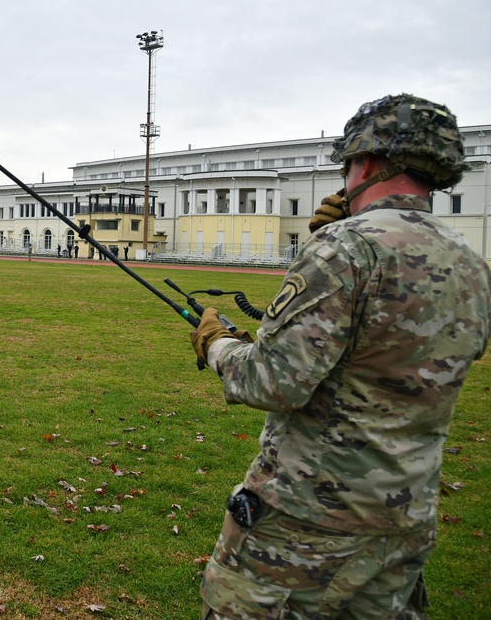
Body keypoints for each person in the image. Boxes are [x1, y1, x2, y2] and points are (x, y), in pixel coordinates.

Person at [190, 94, 491, 620]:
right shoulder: (470, 261)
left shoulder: (345, 249)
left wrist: (217, 344)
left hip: (311, 519)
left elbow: (270, 382)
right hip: (404, 516)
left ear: (366, 161)